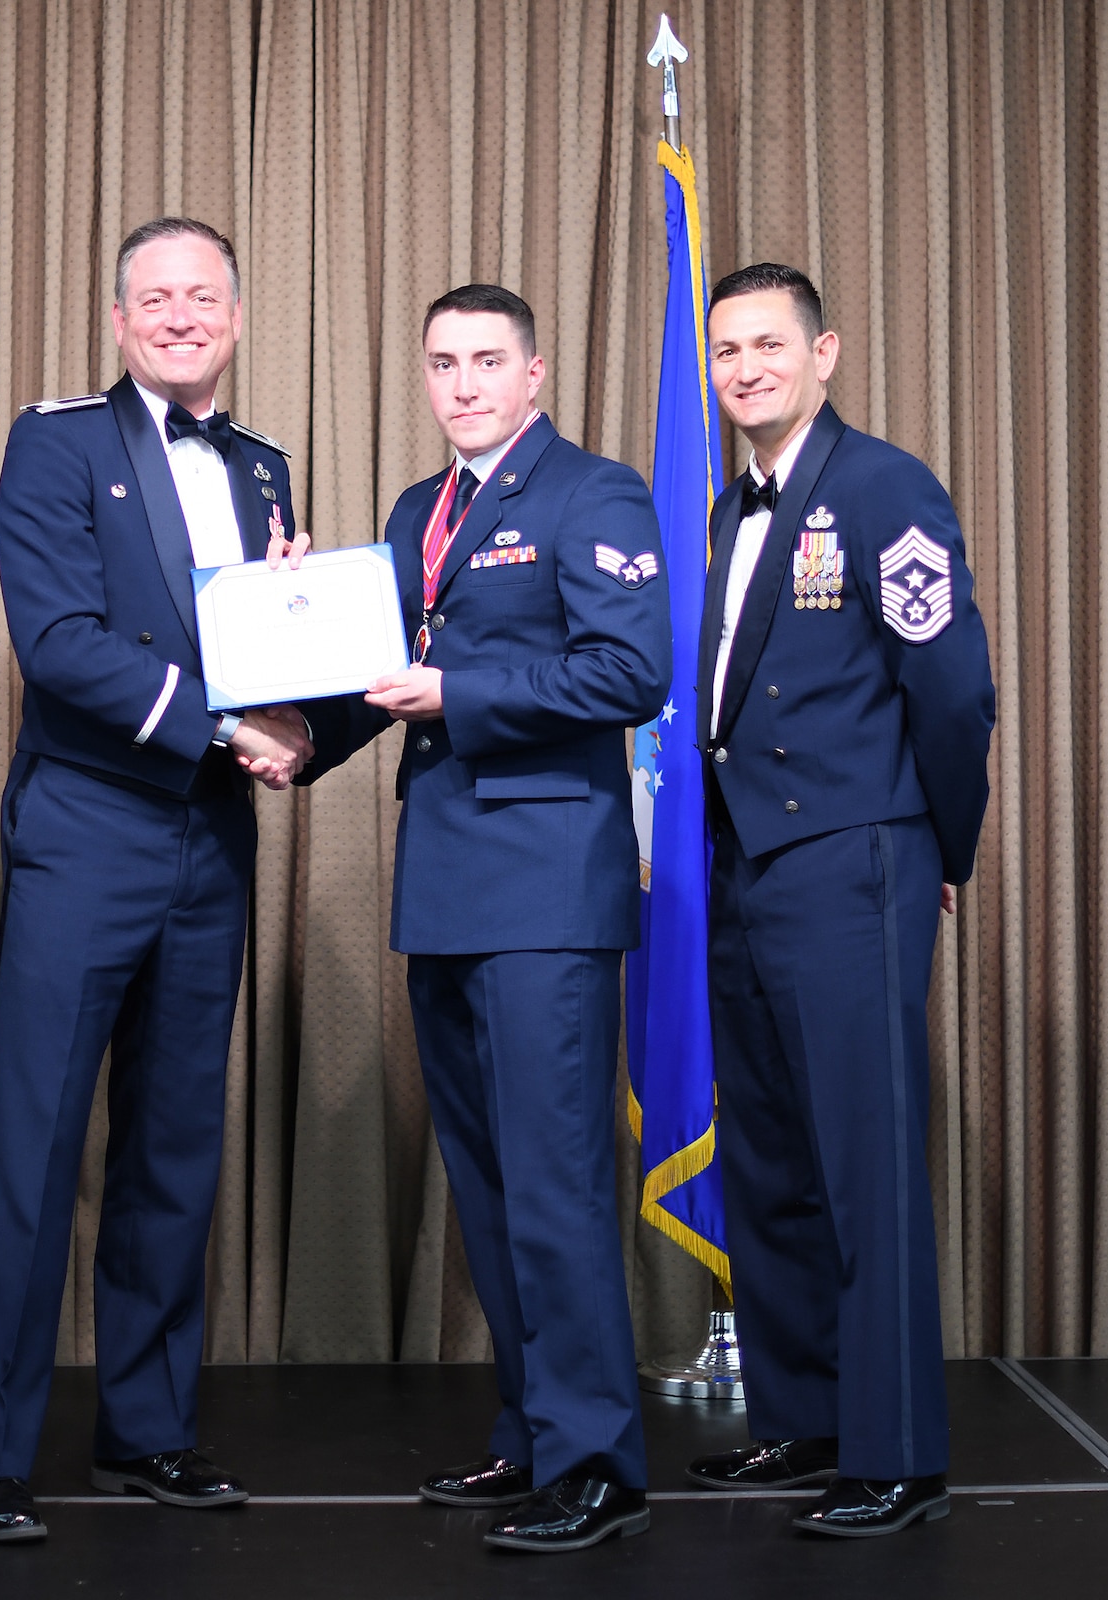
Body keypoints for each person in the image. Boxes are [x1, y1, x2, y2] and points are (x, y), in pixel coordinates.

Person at [0, 217, 313, 1544]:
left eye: (201, 295)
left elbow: (274, 653)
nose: (178, 316)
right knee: (35, 1144)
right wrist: (227, 721)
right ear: (117, 319)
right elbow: (58, 644)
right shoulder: (55, 440)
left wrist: (304, 712)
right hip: (86, 838)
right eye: (154, 297)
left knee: (174, 1149)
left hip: (212, 846)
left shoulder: (263, 466)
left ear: (237, 313)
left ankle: (148, 1430)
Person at [300, 284, 669, 1553]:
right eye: (442, 363)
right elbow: (380, 674)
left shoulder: (592, 492)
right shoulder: (416, 512)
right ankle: (531, 1432)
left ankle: (596, 1465)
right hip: (449, 889)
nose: (461, 384)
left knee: (557, 1185)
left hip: (546, 889)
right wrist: (291, 731)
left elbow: (630, 670)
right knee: (494, 1182)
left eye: (485, 362)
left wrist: (457, 688)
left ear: (534, 375)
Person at [682, 263, 995, 1538]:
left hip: (853, 859)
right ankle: (800, 1419)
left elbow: (951, 689)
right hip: (744, 867)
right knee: (771, 1160)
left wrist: (940, 849)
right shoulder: (722, 510)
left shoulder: (883, 487)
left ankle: (894, 1451)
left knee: (863, 1163)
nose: (744, 367)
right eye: (725, 350)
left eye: (768, 344)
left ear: (825, 354)